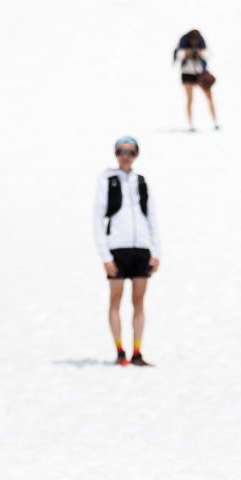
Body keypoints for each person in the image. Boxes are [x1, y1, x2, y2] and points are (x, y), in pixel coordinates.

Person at [92, 136, 162, 366]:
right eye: (121, 151)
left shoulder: (141, 181)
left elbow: (151, 216)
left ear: (136, 155)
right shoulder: (107, 180)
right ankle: (120, 351)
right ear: (116, 154)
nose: (125, 156)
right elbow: (97, 219)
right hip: (117, 249)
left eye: (130, 152)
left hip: (141, 248)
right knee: (116, 299)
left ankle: (137, 352)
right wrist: (105, 256)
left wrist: (156, 250)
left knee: (139, 301)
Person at [173, 29, 218, 132]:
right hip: (187, 74)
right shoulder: (183, 44)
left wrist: (199, 53)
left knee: (209, 97)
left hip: (200, 74)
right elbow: (177, 57)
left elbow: (209, 55)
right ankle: (190, 124)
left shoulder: (202, 45)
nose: (194, 43)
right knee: (190, 99)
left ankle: (215, 121)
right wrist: (186, 53)